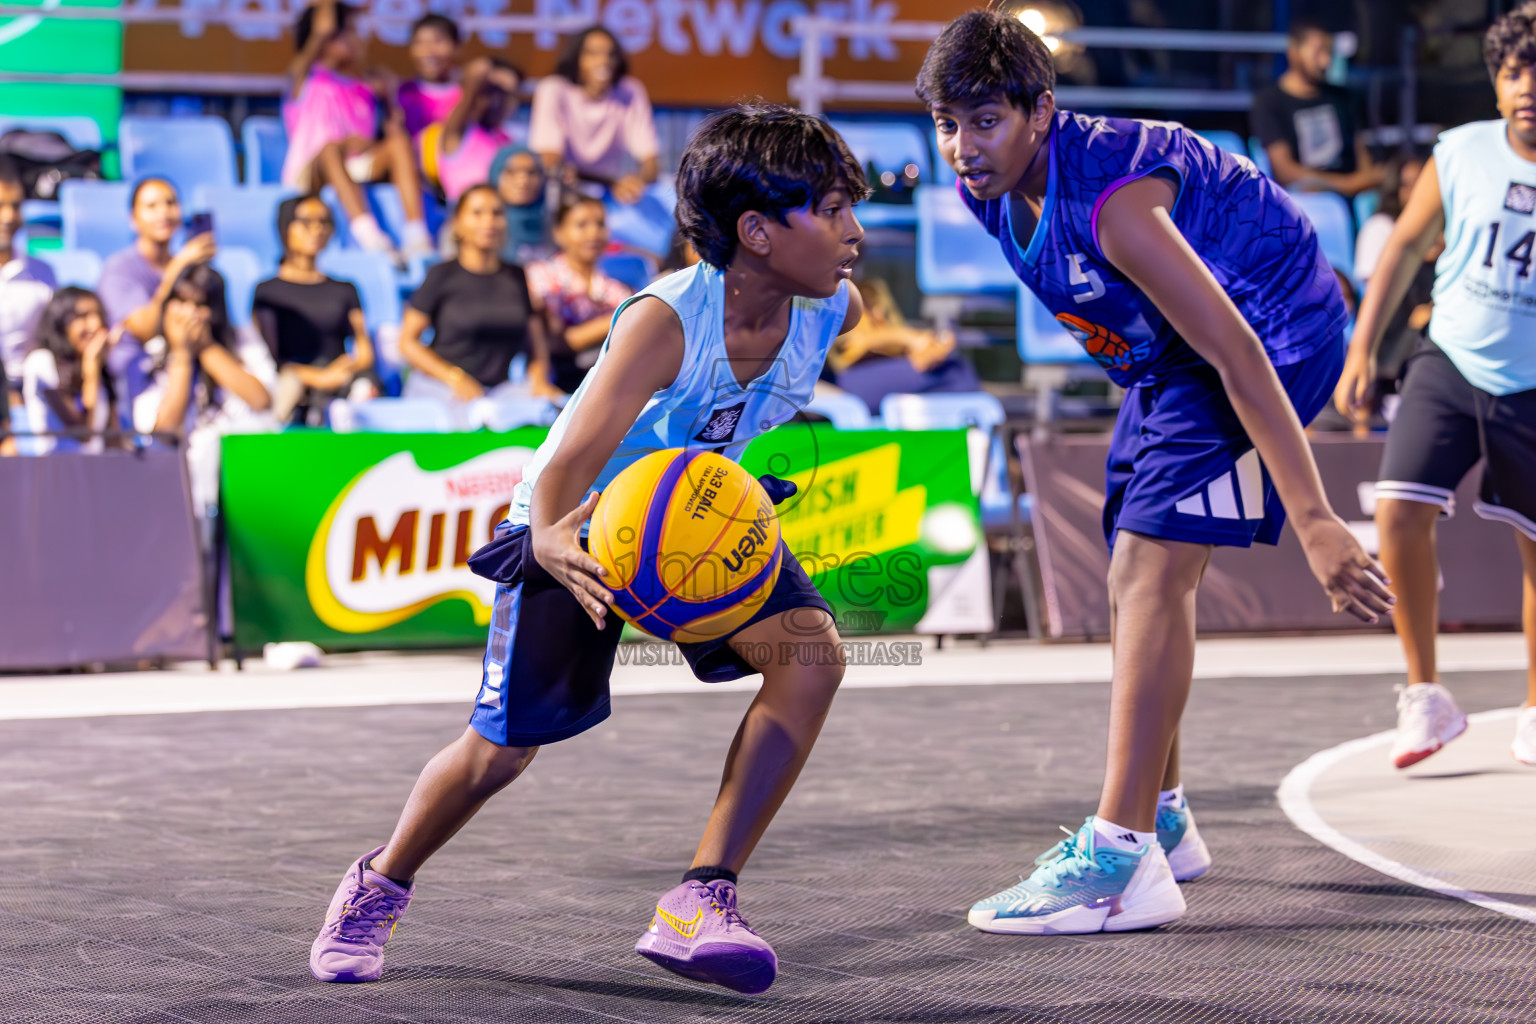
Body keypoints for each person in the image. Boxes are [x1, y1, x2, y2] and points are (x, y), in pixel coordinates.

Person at [307, 103, 867, 994]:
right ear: (757, 232)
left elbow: (723, 429)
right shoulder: (664, 321)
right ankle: (380, 881)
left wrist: (724, 484)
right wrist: (552, 542)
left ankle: (700, 897)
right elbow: (569, 459)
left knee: (812, 657)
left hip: (685, 516)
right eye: (834, 210)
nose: (855, 231)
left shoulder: (831, 307)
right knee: (501, 752)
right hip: (574, 520)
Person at [919, 10, 1391, 935]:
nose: (962, 146)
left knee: (1150, 565)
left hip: (1274, 333)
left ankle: (1121, 857)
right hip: (1172, 360)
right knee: (1131, 558)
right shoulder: (992, 187)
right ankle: (1165, 820)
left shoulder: (1114, 203)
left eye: (984, 121)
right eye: (946, 122)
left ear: (1040, 112)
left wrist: (1316, 516)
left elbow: (1240, 351)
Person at [1335, 3, 1536, 769]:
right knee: (1396, 513)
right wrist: (1364, 352)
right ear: (1494, 85)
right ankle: (1427, 695)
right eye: (1513, 72)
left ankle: (1535, 708)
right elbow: (1405, 248)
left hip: (1532, 385)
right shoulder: (1461, 151)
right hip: (1448, 357)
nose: (1527, 86)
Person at [281, 0, 435, 264]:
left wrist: (388, 100)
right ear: (327, 41)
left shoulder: (364, 88)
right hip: (312, 173)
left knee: (398, 142)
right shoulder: (306, 77)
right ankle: (368, 235)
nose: (356, 39)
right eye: (348, 32)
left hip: (355, 170)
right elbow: (323, 28)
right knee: (331, 148)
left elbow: (390, 131)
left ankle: (416, 237)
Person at [400, 184, 558, 401]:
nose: (489, 222)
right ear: (457, 224)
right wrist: (454, 378)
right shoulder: (441, 275)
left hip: (498, 394)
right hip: (440, 388)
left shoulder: (517, 276)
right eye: (477, 213)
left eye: (496, 213)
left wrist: (539, 382)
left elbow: (536, 344)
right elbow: (408, 342)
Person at [254, 195, 378, 426]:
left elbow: (364, 351)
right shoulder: (267, 292)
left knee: (365, 390)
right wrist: (317, 378)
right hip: (293, 383)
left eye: (324, 222)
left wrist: (342, 369)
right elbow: (267, 357)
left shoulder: (345, 289)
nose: (316, 229)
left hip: (340, 379)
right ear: (285, 227)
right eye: (306, 221)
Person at [1250, 18, 1383, 198]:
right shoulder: (1269, 102)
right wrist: (1348, 184)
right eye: (1318, 52)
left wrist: (1362, 182)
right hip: (1306, 203)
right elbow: (1285, 171)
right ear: (1294, 52)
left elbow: (1363, 158)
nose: (1325, 61)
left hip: (1354, 199)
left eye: (1329, 52)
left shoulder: (1344, 98)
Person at [529, 25, 659, 204]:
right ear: (576, 58)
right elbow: (550, 161)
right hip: (564, 195)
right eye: (593, 53)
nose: (603, 61)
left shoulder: (630, 91)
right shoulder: (553, 89)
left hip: (612, 198)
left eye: (610, 54)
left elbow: (651, 162)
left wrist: (637, 181)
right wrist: (612, 183)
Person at [829, 276, 981, 414]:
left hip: (887, 370)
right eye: (869, 309)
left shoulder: (872, 287)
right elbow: (847, 348)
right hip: (846, 381)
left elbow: (901, 345)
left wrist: (923, 348)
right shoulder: (830, 292)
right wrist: (907, 338)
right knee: (956, 374)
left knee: (958, 370)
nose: (879, 315)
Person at [526, 196, 632, 393]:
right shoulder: (541, 276)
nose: (593, 233)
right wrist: (618, 319)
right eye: (582, 225)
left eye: (600, 224)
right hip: (554, 384)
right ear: (558, 233)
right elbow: (557, 342)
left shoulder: (614, 289)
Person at [98, 177, 216, 352]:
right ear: (133, 218)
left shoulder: (191, 268)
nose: (164, 212)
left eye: (170, 203)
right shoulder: (119, 269)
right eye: (151, 206)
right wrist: (176, 268)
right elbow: (145, 329)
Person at [20, 287, 114, 453]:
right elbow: (84, 434)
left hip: (95, 474)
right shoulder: (41, 362)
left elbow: (113, 439)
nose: (95, 324)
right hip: (56, 472)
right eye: (83, 316)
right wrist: (91, 370)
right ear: (61, 322)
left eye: (98, 315)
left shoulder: (100, 366)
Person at [0, 155, 55, 413]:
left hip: (33, 395)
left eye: (16, 206)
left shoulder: (43, 274)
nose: (9, 217)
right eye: (0, 206)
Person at [434, 57, 520, 205]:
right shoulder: (460, 131)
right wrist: (484, 76)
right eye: (491, 93)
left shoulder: (509, 141)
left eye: (506, 95)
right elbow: (476, 76)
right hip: (463, 216)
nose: (497, 101)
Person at [397, 12, 462, 141]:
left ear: (456, 47)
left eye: (438, 41)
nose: (428, 51)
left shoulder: (466, 95)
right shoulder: (402, 94)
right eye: (419, 42)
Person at [490, 144, 551, 265]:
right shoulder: (482, 227)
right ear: (495, 175)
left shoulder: (556, 227)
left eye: (531, 172)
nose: (523, 181)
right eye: (511, 172)